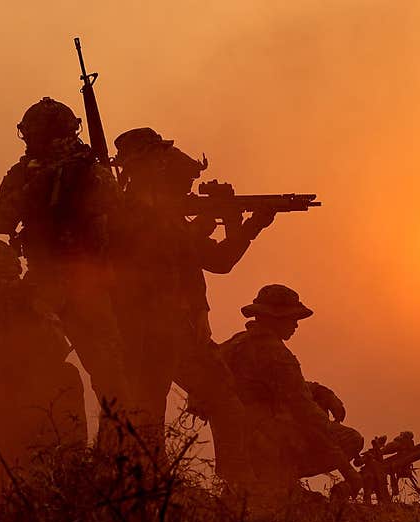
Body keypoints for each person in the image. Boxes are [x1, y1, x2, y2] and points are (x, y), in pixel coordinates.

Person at [111, 127, 275, 486]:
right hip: (159, 330)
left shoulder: (155, 213)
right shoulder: (138, 213)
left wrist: (245, 224)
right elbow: (211, 258)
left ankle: (153, 484)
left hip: (167, 329)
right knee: (171, 408)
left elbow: (217, 259)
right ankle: (223, 487)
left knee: (155, 408)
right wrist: (229, 224)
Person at [0, 98, 131, 434]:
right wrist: (39, 186)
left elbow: (121, 223)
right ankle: (79, 454)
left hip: (72, 282)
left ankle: (103, 458)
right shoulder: (39, 173)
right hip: (62, 282)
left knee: (103, 376)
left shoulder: (79, 172)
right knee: (42, 366)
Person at [0, 239, 87, 490]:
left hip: (30, 408)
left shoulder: (29, 302)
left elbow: (54, 350)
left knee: (66, 376)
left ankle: (67, 473)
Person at [218, 285, 364, 495]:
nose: (296, 324)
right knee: (351, 438)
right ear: (274, 318)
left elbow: (287, 387)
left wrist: (322, 392)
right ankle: (278, 482)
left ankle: (269, 483)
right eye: (291, 318)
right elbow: (306, 412)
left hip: (237, 442)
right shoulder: (276, 354)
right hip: (262, 443)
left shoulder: (236, 343)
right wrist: (348, 470)